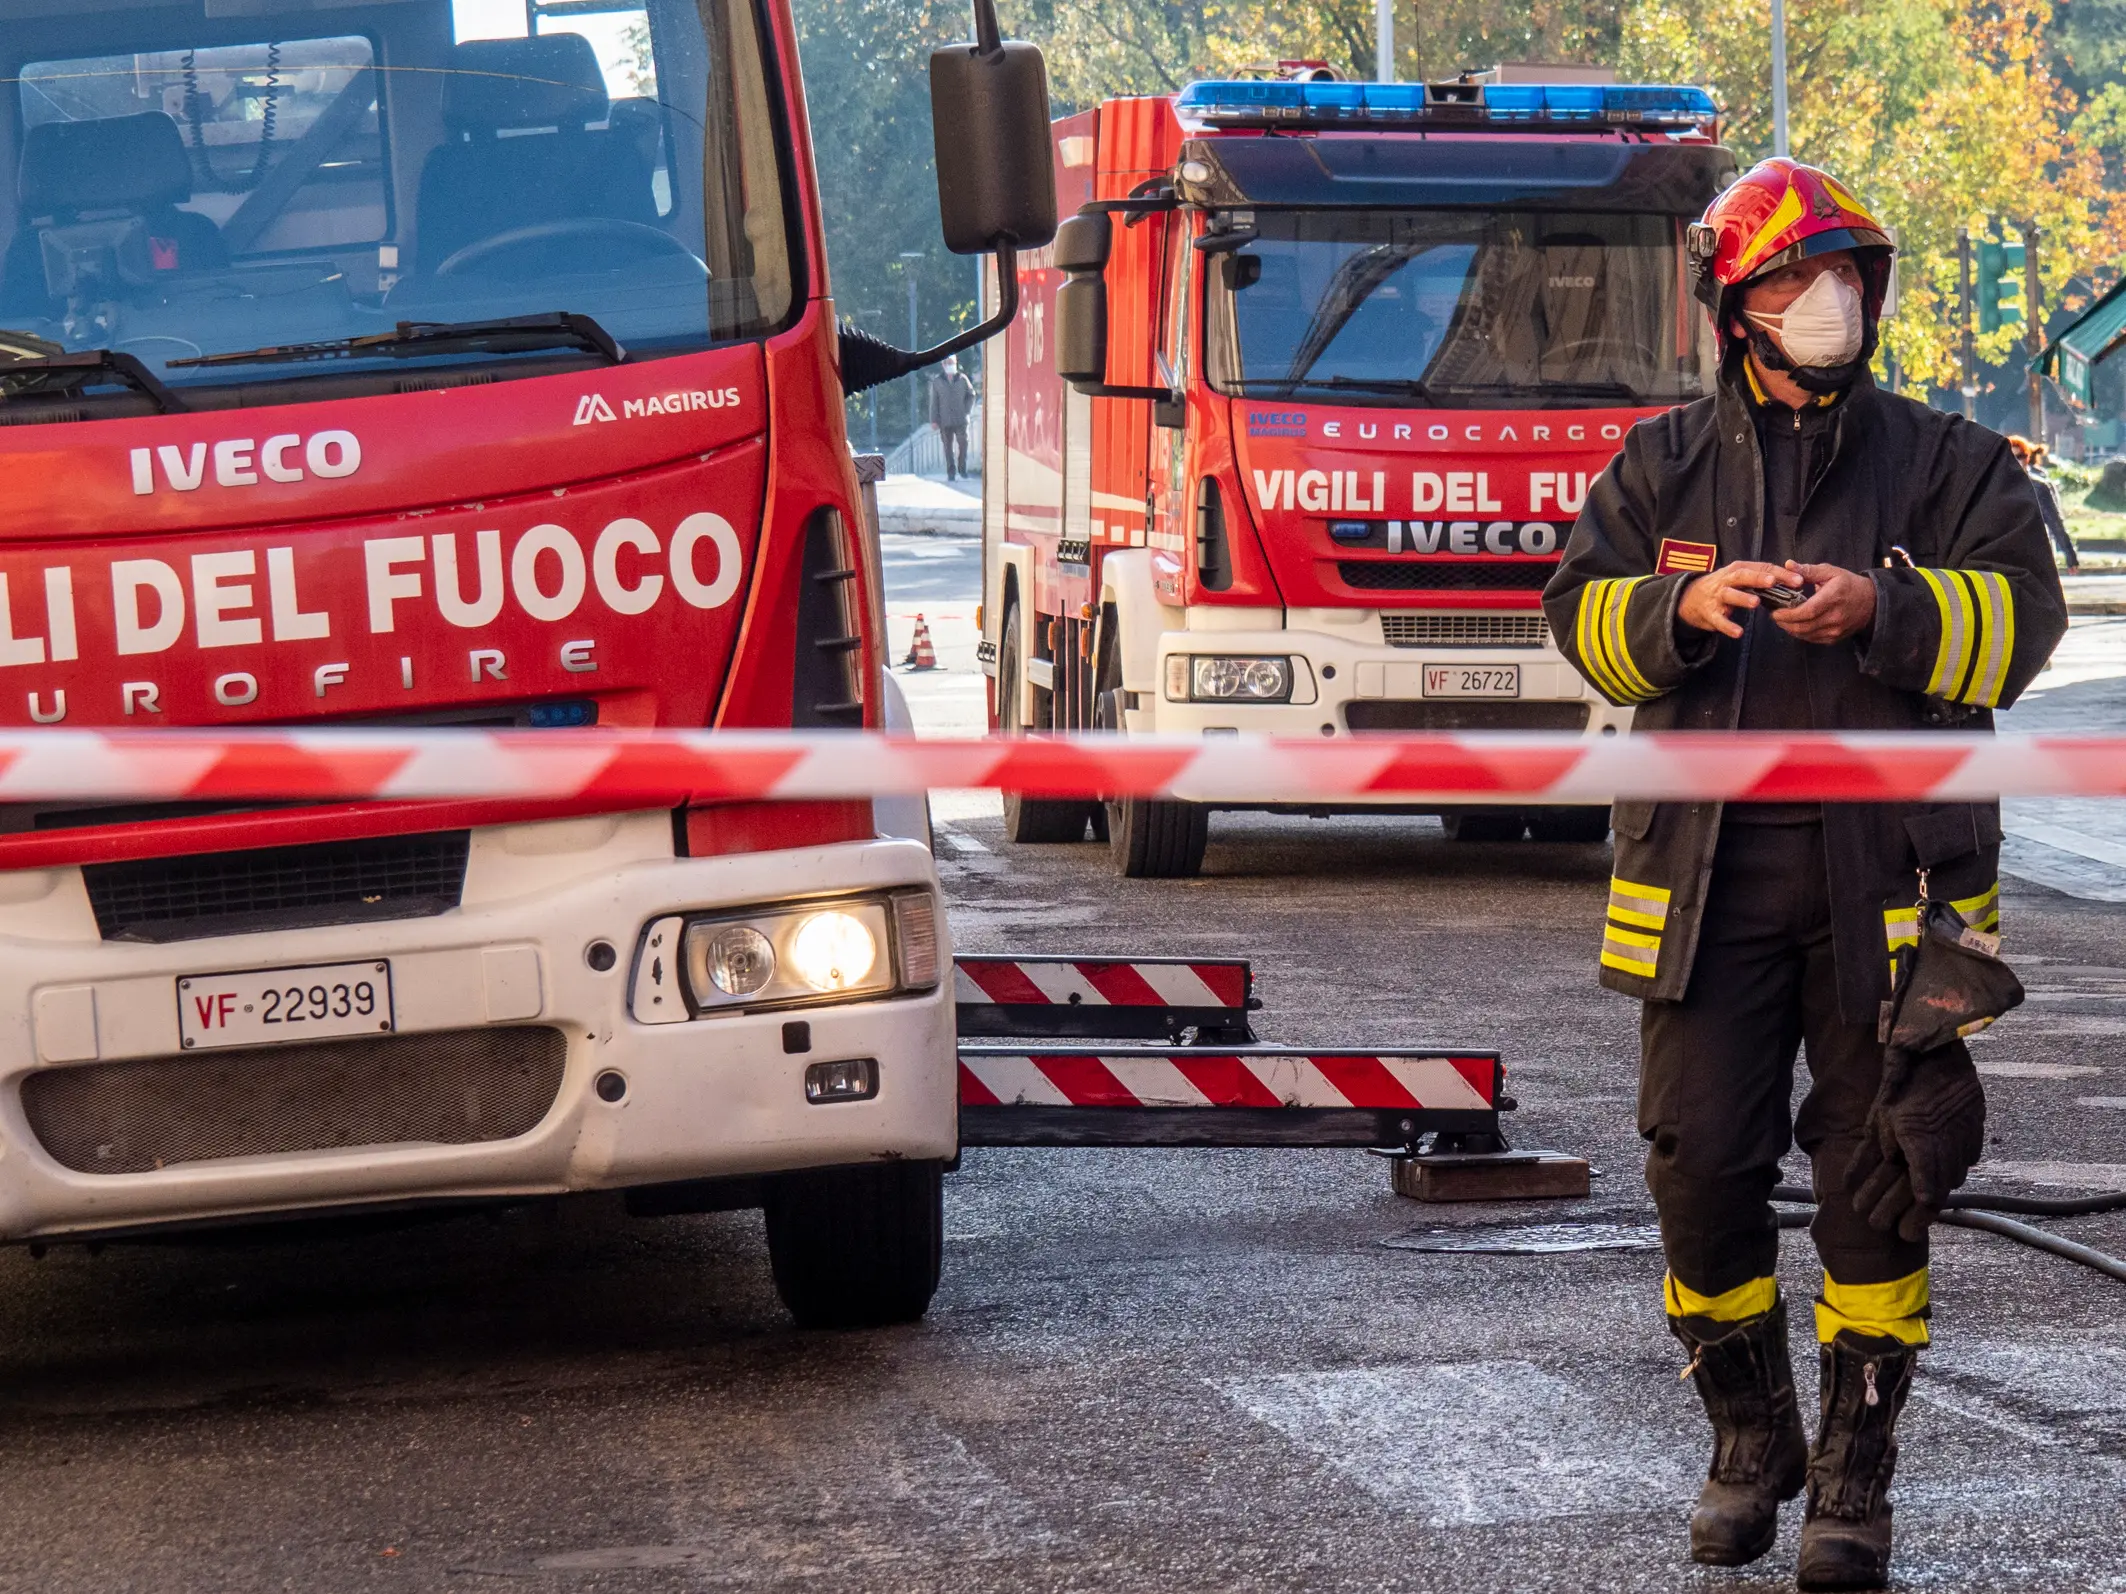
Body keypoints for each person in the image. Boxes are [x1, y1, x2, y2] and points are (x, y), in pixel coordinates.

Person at [1543, 159, 2066, 1590]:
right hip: (1701, 900)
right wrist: (1676, 609)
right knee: (1697, 1175)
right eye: (1789, 280)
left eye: (1842, 276)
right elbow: (1574, 619)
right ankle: (1746, 1436)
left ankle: (1854, 1485)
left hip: (1887, 902)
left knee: (1872, 1190)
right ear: (1735, 310)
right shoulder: (1660, 467)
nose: (1824, 302)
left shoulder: (1950, 463)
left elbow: (2021, 625)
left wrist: (1884, 611)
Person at [2008, 434, 2079, 571]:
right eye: (2011, 457)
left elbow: (2055, 522)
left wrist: (2070, 556)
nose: (2016, 461)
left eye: (2020, 456)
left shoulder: (2039, 487)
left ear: (2027, 458)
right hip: (2007, 555)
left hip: (2037, 553)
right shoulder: (1996, 487)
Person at [927, 354, 976, 481]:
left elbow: (971, 395)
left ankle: (962, 469)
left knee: (963, 444)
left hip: (961, 419)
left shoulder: (962, 379)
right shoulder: (937, 382)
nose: (950, 365)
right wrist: (933, 420)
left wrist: (966, 410)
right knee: (948, 447)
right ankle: (951, 472)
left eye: (952, 362)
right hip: (945, 420)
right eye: (947, 363)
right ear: (943, 365)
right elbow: (934, 402)